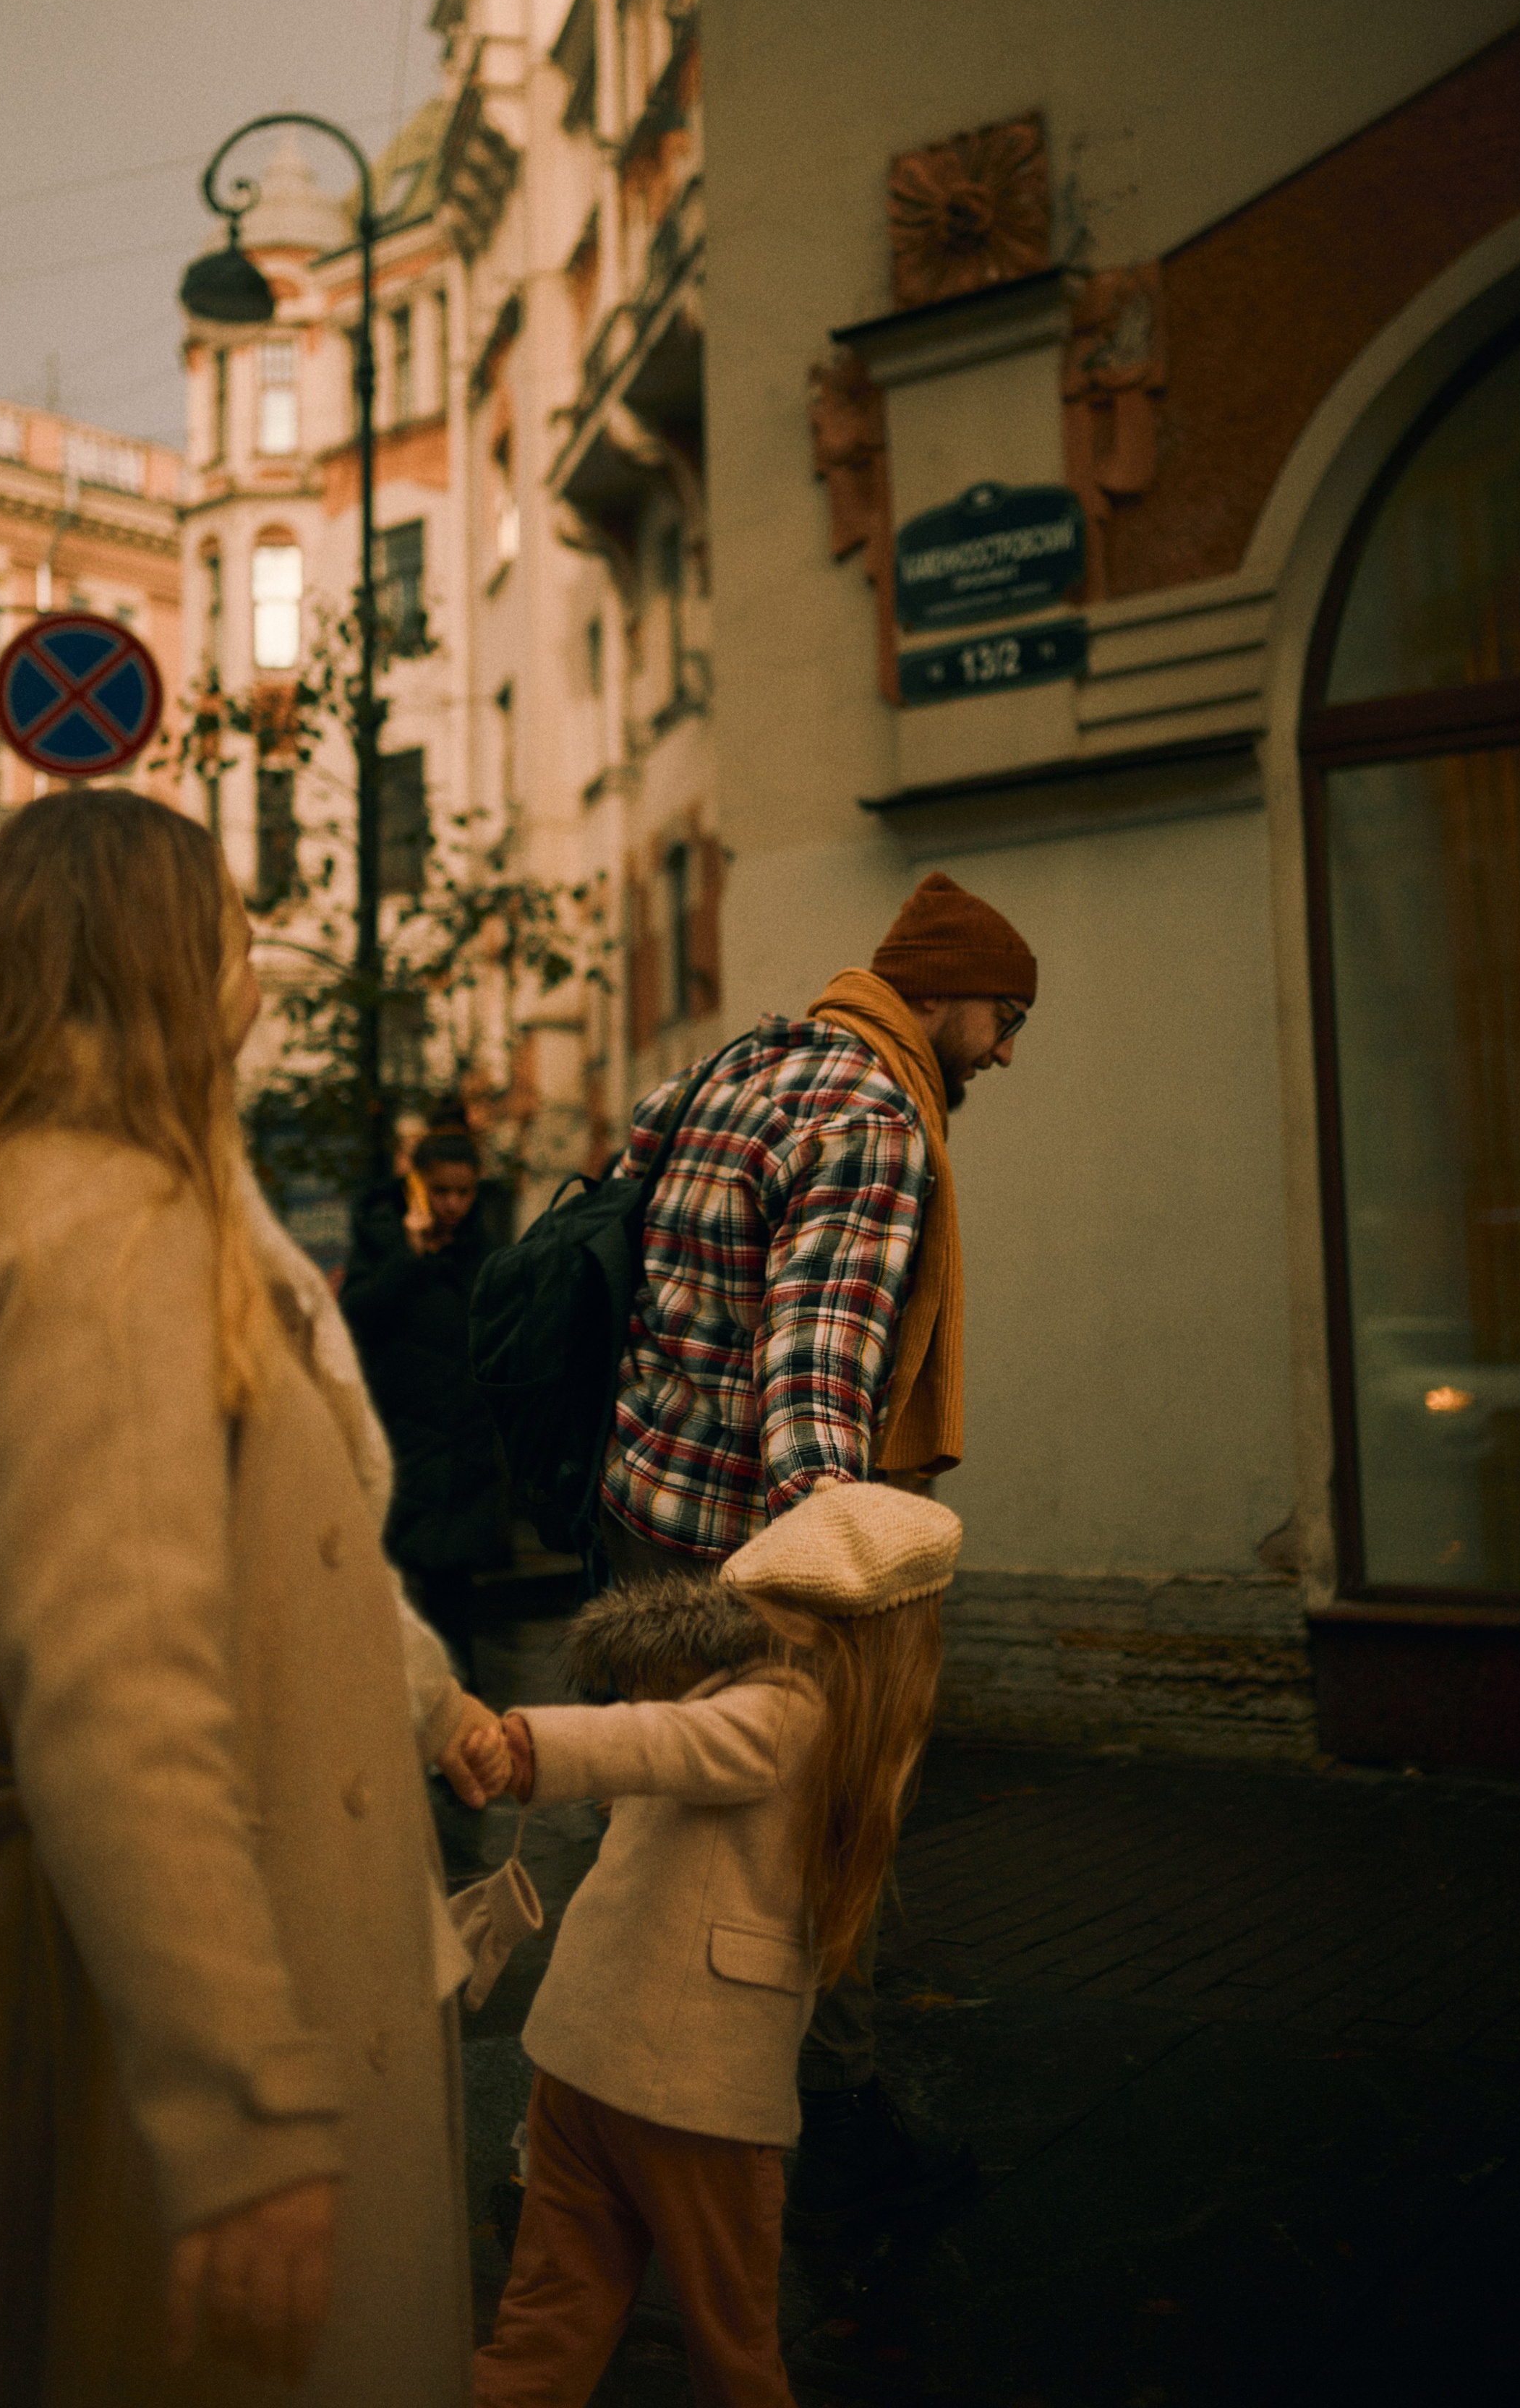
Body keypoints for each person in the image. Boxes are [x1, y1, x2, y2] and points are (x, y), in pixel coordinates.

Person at [0, 789, 505, 2407]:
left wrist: (427, 1699)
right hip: (155, 2021)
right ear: (172, 964)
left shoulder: (11, 1202)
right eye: (237, 937)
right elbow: (119, 1694)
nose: (258, 974)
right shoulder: (110, 1231)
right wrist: (246, 2113)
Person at [598, 868, 1036, 2232]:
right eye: (1005, 1016)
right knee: (804, 1851)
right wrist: (833, 1574)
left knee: (654, 1850)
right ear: (947, 993)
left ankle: (577, 2161)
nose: (1008, 1051)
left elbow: (638, 1260)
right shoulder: (875, 1121)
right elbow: (816, 1367)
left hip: (641, 1517)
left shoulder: (734, 1070)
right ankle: (824, 2150)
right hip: (752, 1555)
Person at [469, 1484, 962, 2408]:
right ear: (896, 1635)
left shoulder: (733, 1682)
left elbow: (671, 1732)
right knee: (736, 2354)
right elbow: (662, 1743)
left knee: (545, 2328)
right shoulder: (793, 1714)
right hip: (694, 2092)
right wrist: (534, 1748)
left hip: (579, 2061)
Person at [343, 1115, 508, 1685]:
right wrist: (410, 1255)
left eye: (464, 1192)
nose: (454, 1204)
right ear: (417, 1187)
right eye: (441, 1191)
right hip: (403, 1443)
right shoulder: (384, 1242)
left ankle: (460, 1724)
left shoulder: (482, 1250)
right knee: (401, 1599)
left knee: (454, 1604)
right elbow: (356, 1316)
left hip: (462, 1450)